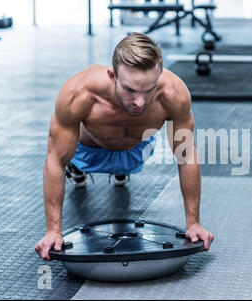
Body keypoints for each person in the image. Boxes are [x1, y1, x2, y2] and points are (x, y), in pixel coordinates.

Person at [35, 33, 214, 261]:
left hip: (136, 150)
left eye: (149, 90)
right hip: (86, 150)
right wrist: (53, 231)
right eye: (130, 90)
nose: (140, 102)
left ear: (159, 77)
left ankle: (121, 168)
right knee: (64, 152)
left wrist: (194, 223)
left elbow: (186, 155)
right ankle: (78, 168)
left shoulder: (174, 94)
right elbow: (55, 160)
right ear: (112, 76)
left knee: (140, 147)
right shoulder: (79, 93)